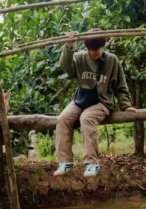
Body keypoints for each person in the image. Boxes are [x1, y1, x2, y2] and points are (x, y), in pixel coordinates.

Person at [54, 28, 136, 178]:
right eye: (90, 49)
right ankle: (65, 161)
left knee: (86, 118)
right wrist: (69, 47)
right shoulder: (79, 58)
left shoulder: (112, 60)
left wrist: (126, 105)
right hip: (81, 100)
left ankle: (92, 163)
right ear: (86, 47)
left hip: (102, 102)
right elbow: (67, 69)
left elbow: (121, 86)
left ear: (102, 46)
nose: (92, 52)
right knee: (63, 118)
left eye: (96, 49)